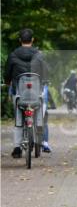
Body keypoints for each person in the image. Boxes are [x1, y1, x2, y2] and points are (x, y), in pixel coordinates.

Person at [4, 28, 51, 156]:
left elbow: (7, 74)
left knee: (18, 118)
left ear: (20, 40)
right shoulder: (39, 55)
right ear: (32, 40)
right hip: (36, 93)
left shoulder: (13, 55)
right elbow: (46, 72)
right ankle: (39, 139)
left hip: (19, 94)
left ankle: (17, 148)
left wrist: (8, 83)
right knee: (39, 111)